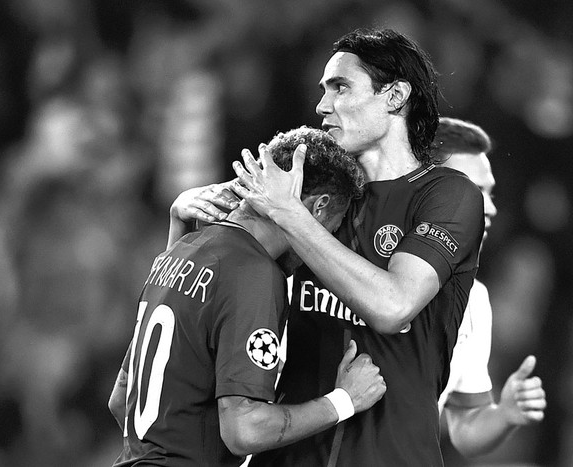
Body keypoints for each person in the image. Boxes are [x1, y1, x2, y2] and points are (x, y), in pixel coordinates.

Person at [170, 28, 484, 466]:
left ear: (394, 96)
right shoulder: (314, 195)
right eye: (323, 90)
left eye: (341, 87)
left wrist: (290, 216)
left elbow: (393, 306)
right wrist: (183, 225)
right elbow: (197, 306)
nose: (322, 106)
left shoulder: (447, 195)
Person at [108, 126, 387, 467]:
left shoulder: (179, 251)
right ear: (318, 207)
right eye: (330, 229)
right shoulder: (253, 272)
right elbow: (245, 430)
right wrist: (344, 400)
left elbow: (121, 399)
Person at [433, 117, 546, 458]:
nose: (492, 207)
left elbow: (465, 429)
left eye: (490, 192)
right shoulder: (353, 268)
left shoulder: (475, 300)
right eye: (476, 190)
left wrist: (505, 415)